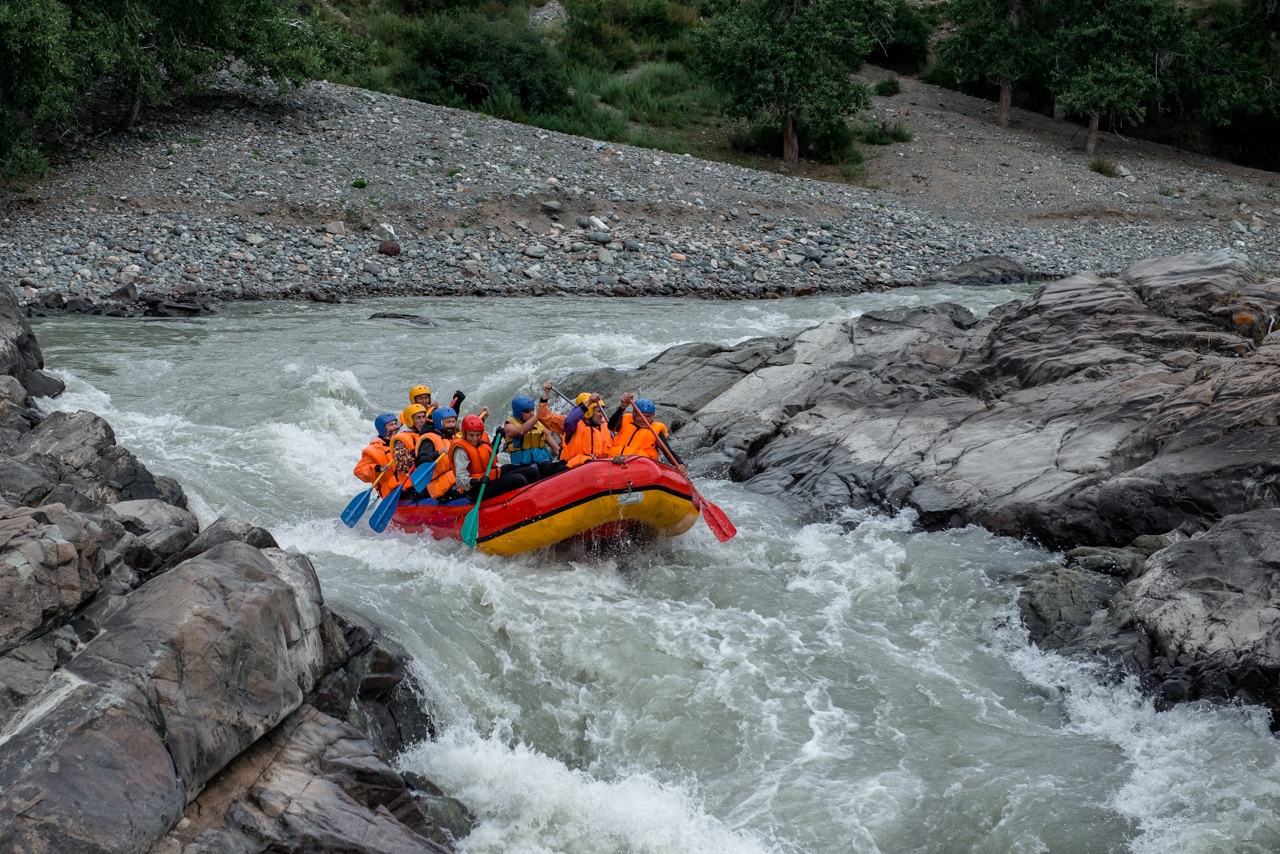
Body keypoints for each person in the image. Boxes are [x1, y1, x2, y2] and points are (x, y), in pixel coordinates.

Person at [426, 414, 532, 502]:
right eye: (471, 435)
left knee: (531, 471)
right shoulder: (460, 450)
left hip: (488, 479)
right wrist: (474, 482)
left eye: (477, 435)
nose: (474, 439)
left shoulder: (481, 441)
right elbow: (460, 479)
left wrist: (498, 438)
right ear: (464, 433)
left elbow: (491, 456)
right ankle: (527, 504)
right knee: (518, 479)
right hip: (475, 489)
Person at [614, 398, 687, 474]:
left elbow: (667, 451)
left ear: (653, 417)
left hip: (642, 467)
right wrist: (622, 408)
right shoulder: (625, 422)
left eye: (648, 416)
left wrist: (680, 464)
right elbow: (611, 426)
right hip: (615, 462)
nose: (643, 419)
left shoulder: (656, 431)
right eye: (640, 415)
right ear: (634, 415)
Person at [504, 395, 567, 479]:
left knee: (554, 467)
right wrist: (538, 416)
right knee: (532, 472)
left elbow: (555, 449)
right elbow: (520, 431)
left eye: (532, 410)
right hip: (521, 465)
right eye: (527, 411)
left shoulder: (540, 425)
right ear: (518, 412)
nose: (531, 413)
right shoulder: (509, 425)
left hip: (542, 461)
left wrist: (566, 460)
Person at [354, 413, 415, 497]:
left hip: (408, 483)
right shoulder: (373, 450)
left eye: (395, 424)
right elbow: (359, 471)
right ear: (382, 429)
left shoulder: (401, 441)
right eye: (391, 425)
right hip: (392, 491)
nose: (395, 427)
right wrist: (378, 468)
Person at [560, 395, 615, 468]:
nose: (602, 415)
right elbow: (569, 421)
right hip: (577, 469)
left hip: (602, 467)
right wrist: (589, 402)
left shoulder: (606, 426)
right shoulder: (573, 426)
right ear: (589, 412)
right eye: (599, 411)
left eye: (602, 411)